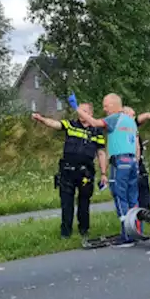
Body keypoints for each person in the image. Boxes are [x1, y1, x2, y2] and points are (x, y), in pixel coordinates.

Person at [31, 102, 107, 242]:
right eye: (79, 110)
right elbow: (55, 124)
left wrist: (103, 173)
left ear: (90, 113)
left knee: (84, 202)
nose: (81, 113)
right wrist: (42, 119)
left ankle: (84, 230)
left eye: (84, 111)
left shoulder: (97, 131)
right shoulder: (71, 125)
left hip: (86, 172)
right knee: (67, 203)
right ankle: (65, 233)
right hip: (67, 170)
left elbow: (101, 153)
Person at [79, 94, 140, 245]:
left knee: (120, 197)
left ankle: (126, 236)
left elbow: (93, 122)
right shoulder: (130, 121)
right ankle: (136, 231)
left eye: (106, 105)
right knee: (133, 198)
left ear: (114, 105)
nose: (104, 109)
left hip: (120, 161)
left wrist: (77, 109)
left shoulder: (115, 118)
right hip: (132, 161)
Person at [123, 106, 150, 210]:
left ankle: (145, 212)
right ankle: (136, 213)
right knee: (134, 190)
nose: (134, 117)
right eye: (132, 115)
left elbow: (144, 116)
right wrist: (136, 161)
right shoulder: (125, 128)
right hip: (131, 163)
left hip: (137, 163)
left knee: (143, 188)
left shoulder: (132, 125)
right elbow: (136, 148)